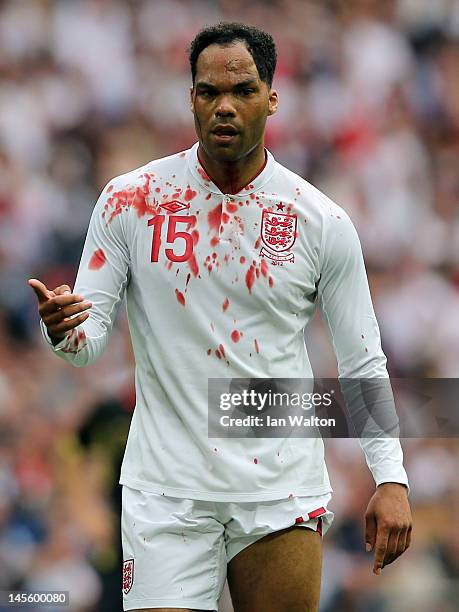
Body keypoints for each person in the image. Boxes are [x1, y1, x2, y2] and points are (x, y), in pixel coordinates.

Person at [29, 22, 412, 612]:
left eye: (243, 91)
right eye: (209, 92)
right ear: (191, 99)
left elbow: (363, 358)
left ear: (272, 98)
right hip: (167, 492)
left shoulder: (320, 221)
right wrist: (62, 329)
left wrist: (390, 476)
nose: (225, 106)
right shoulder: (132, 201)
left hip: (278, 488)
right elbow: (85, 341)